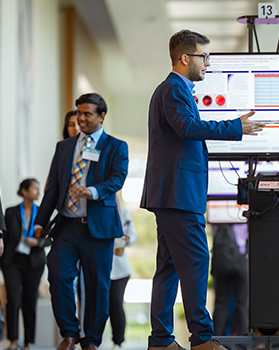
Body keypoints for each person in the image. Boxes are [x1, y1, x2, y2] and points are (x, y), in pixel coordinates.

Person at [140, 29, 264, 350]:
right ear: (185, 58)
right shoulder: (173, 89)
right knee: (196, 261)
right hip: (178, 194)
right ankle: (202, 339)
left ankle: (161, 340)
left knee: (168, 268)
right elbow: (188, 128)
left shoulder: (176, 90)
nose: (207, 64)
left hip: (173, 193)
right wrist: (235, 126)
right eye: (204, 57)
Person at [34, 92, 129, 350]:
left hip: (98, 227)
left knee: (98, 286)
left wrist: (93, 191)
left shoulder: (116, 146)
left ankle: (92, 340)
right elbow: (52, 188)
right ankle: (70, 333)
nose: (82, 118)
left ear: (101, 116)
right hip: (67, 225)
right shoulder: (64, 147)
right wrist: (40, 222)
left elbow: (117, 178)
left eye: (88, 113)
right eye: (79, 113)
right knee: (58, 274)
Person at [1, 179, 46, 350]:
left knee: (29, 301)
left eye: (39, 189)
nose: (38, 192)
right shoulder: (11, 211)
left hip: (34, 262)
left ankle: (27, 343)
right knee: (13, 300)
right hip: (12, 261)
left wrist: (37, 243)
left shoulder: (42, 212)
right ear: (24, 191)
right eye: (35, 188)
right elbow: (4, 237)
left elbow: (49, 238)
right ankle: (13, 341)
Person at [211, 224, 248, 336]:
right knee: (242, 303)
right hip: (240, 261)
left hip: (221, 262)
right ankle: (244, 338)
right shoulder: (242, 214)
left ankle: (217, 338)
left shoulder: (218, 217)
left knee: (220, 303)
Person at [109, 206, 137, 350]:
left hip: (120, 268)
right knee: (99, 305)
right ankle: (92, 340)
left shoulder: (124, 212)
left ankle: (118, 342)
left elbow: (133, 237)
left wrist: (123, 238)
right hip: (99, 266)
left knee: (116, 303)